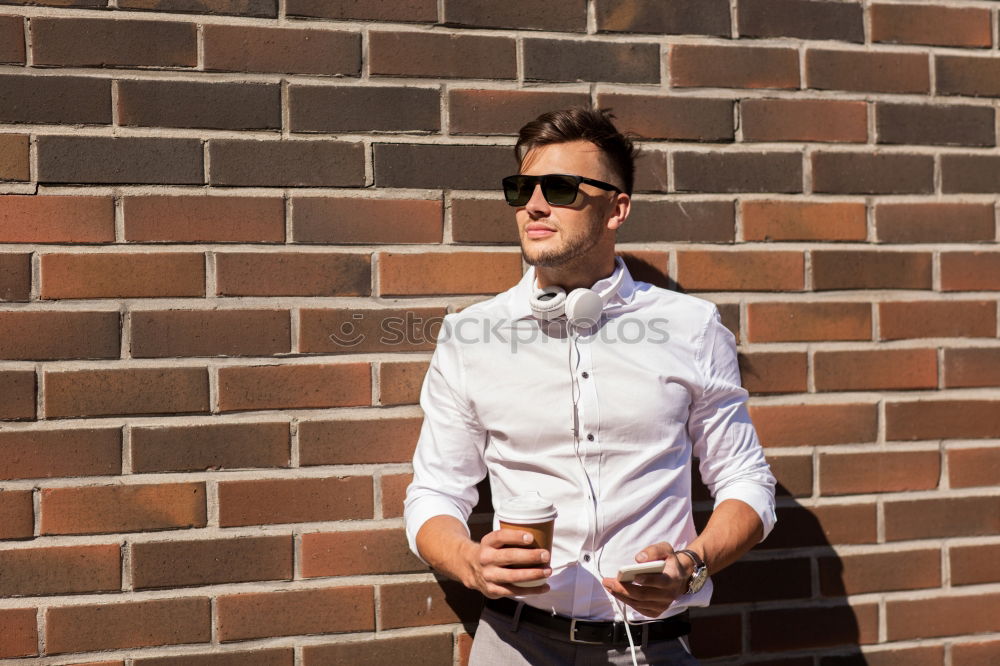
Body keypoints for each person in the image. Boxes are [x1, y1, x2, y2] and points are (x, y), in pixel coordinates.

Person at [403, 107, 776, 665]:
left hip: (649, 647)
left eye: (558, 188)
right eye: (521, 188)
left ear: (616, 208)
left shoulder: (692, 328)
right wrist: (468, 561)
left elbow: (746, 481)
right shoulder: (471, 336)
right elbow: (434, 492)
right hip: (512, 643)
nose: (533, 205)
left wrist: (690, 565)